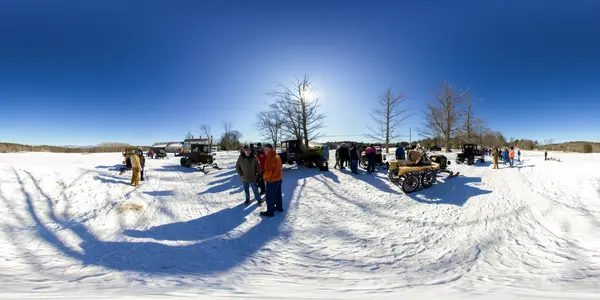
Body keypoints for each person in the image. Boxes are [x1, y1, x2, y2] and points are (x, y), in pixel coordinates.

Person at [261, 144, 283, 217]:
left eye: (265, 149)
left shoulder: (270, 158)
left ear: (269, 149)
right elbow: (280, 166)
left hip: (272, 180)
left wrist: (264, 177)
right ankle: (279, 208)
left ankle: (270, 212)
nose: (264, 151)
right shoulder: (277, 156)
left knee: (270, 197)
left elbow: (268, 172)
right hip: (279, 179)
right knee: (278, 194)